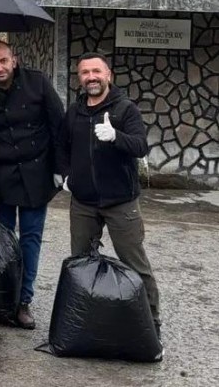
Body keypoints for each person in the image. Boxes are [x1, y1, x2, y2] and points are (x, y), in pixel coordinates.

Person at [56, 52, 161, 335]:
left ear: (108, 75)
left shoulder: (125, 109)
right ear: (79, 78)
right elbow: (61, 146)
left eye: (96, 72)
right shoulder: (75, 112)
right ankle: (81, 322)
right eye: (85, 73)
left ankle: (152, 327)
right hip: (83, 202)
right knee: (80, 263)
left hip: (121, 202)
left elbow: (140, 146)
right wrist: (66, 174)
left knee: (135, 263)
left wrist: (116, 136)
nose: (91, 77)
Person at [0, 39, 64, 329]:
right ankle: (2, 298)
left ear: (14, 60)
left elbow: (58, 125)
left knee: (30, 240)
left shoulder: (38, 83)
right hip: (3, 177)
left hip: (37, 173)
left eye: (3, 61)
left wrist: (61, 168)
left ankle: (23, 301)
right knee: (3, 242)